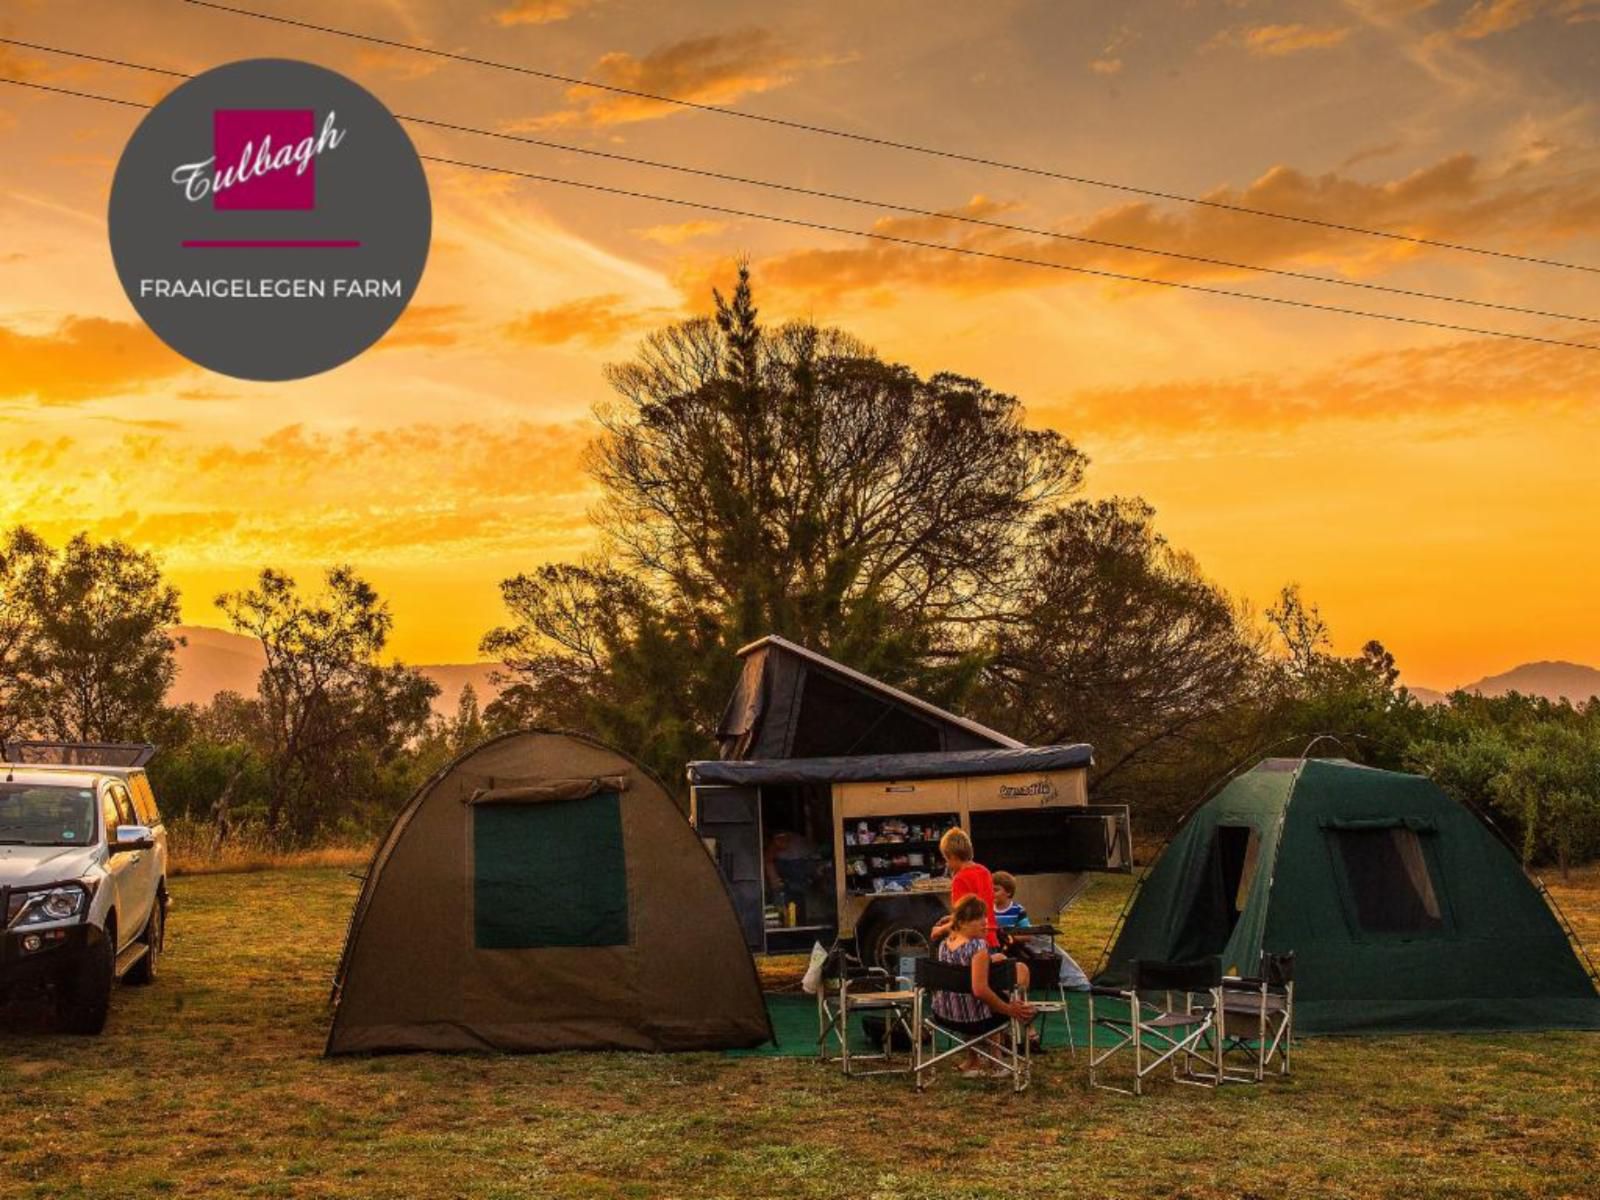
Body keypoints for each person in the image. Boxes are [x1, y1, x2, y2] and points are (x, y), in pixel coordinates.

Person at [932, 894, 1037, 1075]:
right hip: (975, 1019)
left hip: (945, 1014)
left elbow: (965, 972)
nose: (985, 923)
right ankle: (996, 1060)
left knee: (981, 989)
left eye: (985, 917)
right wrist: (1008, 1009)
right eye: (979, 919)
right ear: (963, 922)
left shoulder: (945, 945)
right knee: (996, 994)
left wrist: (993, 959)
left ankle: (974, 1060)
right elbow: (980, 990)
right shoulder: (977, 946)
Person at [991, 871, 1091, 992]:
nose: (992, 893)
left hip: (1014, 947)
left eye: (996, 890)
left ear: (1008, 892)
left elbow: (1027, 934)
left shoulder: (1017, 909)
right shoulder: (989, 909)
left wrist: (1011, 937)